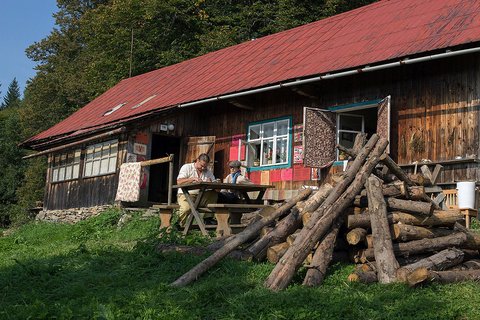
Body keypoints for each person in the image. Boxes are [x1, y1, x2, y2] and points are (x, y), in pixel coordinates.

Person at [176, 153, 218, 226]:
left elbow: (217, 189)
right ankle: (179, 224)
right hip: (186, 194)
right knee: (186, 209)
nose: (203, 168)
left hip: (201, 196)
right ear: (197, 160)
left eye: (205, 166)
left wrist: (213, 183)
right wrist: (192, 179)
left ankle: (208, 219)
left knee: (213, 194)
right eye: (201, 166)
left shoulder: (207, 171)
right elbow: (179, 181)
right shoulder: (187, 167)